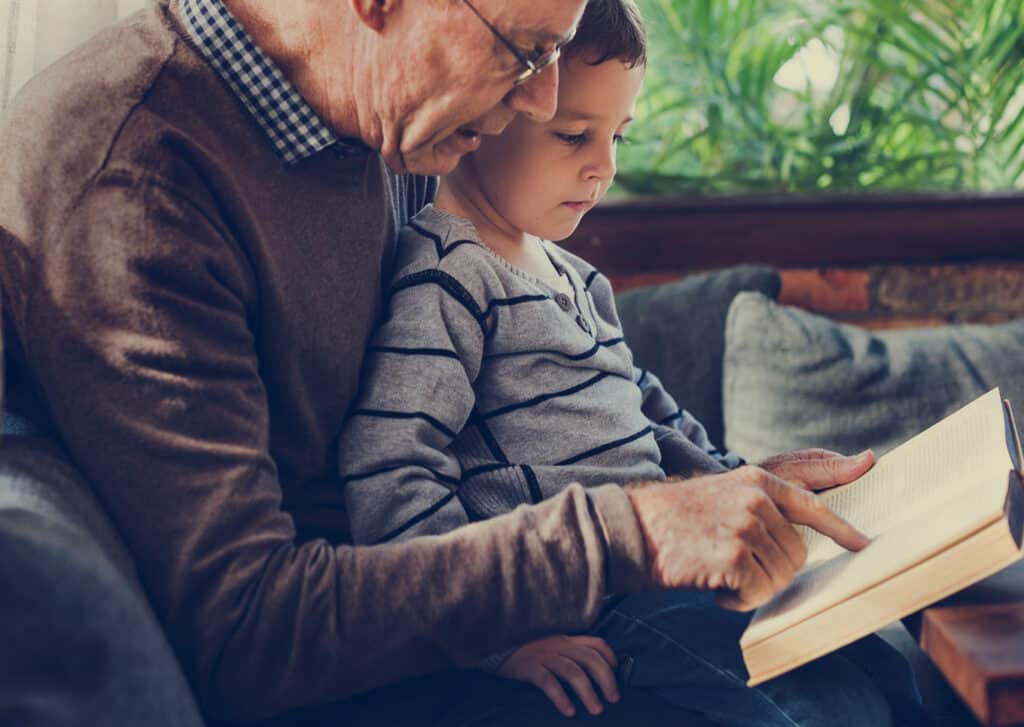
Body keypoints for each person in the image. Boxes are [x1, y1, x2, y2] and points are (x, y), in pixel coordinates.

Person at [0, 0, 908, 724]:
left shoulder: (388, 119)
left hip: (483, 601)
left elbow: (547, 388)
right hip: (367, 668)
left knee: (867, 655)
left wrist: (735, 486)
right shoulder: (132, 175)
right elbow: (247, 632)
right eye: (524, 51)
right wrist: (629, 533)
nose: (543, 103)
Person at [338, 1, 926, 725]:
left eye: (618, 136)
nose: (605, 166)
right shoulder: (448, 277)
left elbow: (654, 413)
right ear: (491, 109)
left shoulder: (577, 279)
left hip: (672, 565)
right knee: (821, 708)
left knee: (879, 656)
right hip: (598, 597)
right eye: (575, 134)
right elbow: (389, 469)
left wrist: (750, 479)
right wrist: (498, 641)